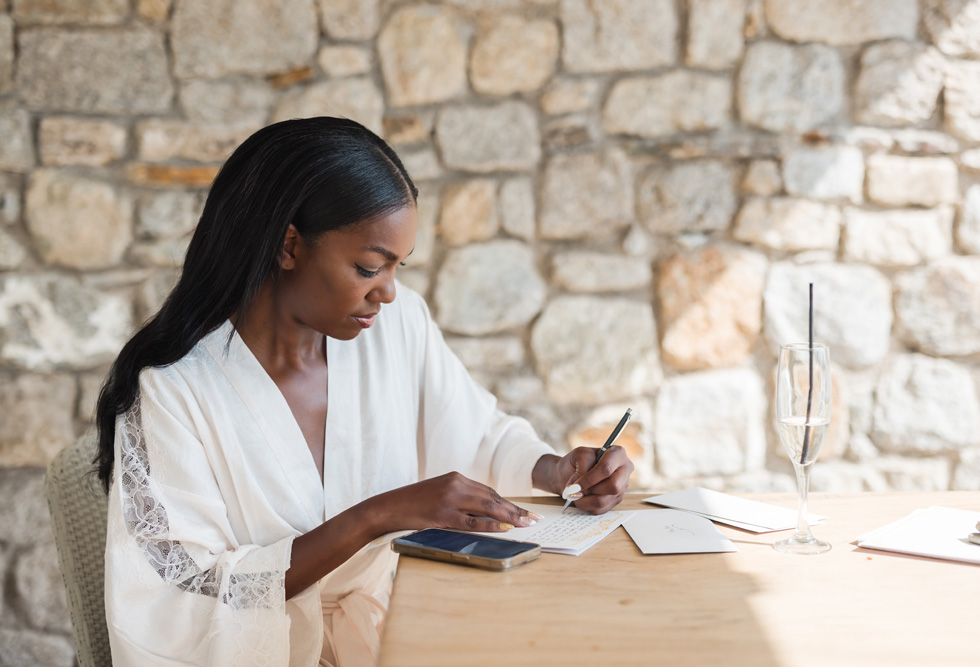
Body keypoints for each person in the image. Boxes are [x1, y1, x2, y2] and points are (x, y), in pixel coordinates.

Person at [94, 117, 634, 667]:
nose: (390, 292)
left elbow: (476, 435)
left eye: (398, 267)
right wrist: (377, 515)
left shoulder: (396, 330)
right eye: (369, 267)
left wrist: (558, 471)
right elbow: (185, 592)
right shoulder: (172, 392)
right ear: (288, 246)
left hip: (401, 630)